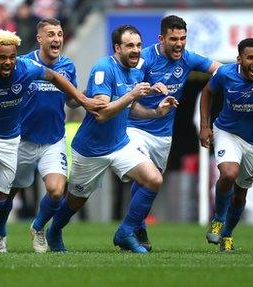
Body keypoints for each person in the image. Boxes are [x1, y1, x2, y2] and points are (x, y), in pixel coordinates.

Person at [0, 29, 105, 253]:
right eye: (2, 57)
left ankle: (36, 227)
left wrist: (82, 99)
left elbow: (54, 76)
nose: (8, 62)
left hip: (12, 140)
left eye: (11, 57)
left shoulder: (26, 69)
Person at [44, 25, 178, 254]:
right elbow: (102, 113)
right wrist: (131, 94)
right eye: (130, 46)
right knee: (76, 201)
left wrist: (156, 112)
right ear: (117, 48)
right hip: (90, 150)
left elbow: (131, 109)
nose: (136, 50)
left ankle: (126, 231)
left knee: (153, 179)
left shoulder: (136, 71)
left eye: (138, 45)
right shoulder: (104, 69)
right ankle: (54, 230)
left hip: (120, 144)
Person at [125, 15, 220, 251]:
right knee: (147, 177)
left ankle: (137, 226)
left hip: (164, 134)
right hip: (136, 127)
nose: (179, 43)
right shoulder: (145, 59)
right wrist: (149, 91)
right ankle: (130, 229)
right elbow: (128, 92)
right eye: (173, 38)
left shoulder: (187, 59)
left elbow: (221, 70)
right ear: (161, 38)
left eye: (183, 38)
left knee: (150, 184)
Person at [199, 38, 253, 252]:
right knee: (228, 174)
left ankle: (227, 235)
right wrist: (204, 126)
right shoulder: (225, 74)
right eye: (250, 57)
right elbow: (207, 92)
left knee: (240, 193)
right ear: (240, 59)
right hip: (226, 131)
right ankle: (218, 218)